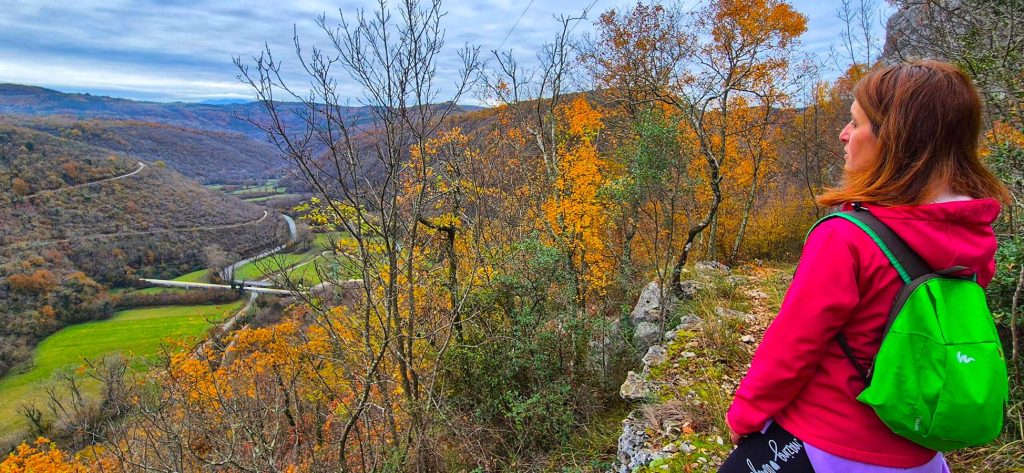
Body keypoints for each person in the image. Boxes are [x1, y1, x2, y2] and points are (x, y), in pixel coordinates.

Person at [718, 60, 1011, 473]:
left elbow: (793, 344)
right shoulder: (974, 236)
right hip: (922, 453)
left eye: (855, 123)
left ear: (895, 140)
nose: (844, 134)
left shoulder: (847, 237)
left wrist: (744, 415)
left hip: (831, 445)